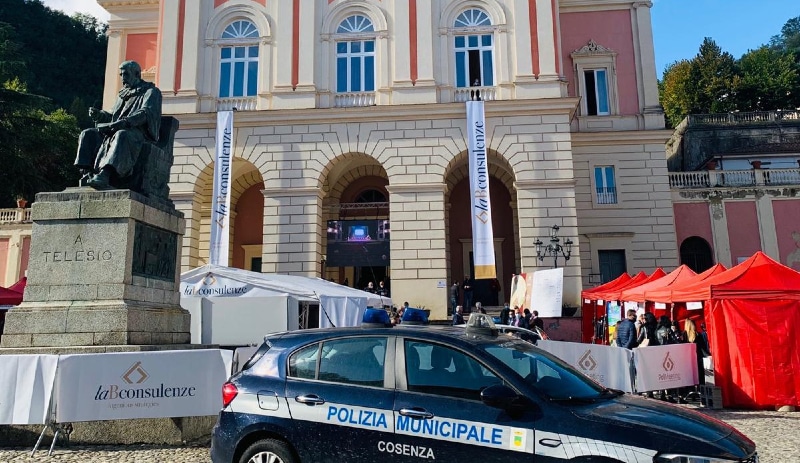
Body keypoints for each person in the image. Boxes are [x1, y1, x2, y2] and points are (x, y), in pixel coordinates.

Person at [75, 60, 162, 190]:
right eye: (121, 75)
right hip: (115, 129)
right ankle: (88, 173)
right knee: (88, 134)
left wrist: (125, 122)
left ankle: (105, 174)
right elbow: (113, 115)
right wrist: (100, 115)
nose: (123, 78)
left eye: (126, 74)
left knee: (122, 135)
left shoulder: (151, 91)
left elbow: (146, 113)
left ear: (137, 74)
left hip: (138, 133)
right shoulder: (122, 94)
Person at [685, 319, 711, 385]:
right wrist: (708, 355)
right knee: (701, 377)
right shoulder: (698, 335)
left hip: (688, 361)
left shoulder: (684, 336)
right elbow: (702, 348)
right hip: (698, 358)